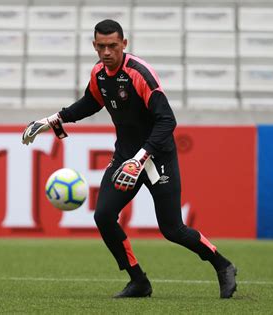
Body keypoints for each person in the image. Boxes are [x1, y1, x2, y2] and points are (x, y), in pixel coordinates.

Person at [22, 19, 237, 299]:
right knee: (104, 216)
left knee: (172, 229)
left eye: (113, 45)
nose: (107, 51)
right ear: (94, 46)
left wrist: (141, 157)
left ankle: (223, 265)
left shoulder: (139, 74)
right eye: (101, 46)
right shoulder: (99, 73)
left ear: (124, 44)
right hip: (125, 158)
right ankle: (138, 281)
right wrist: (53, 120)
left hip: (157, 159)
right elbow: (90, 102)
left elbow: (167, 121)